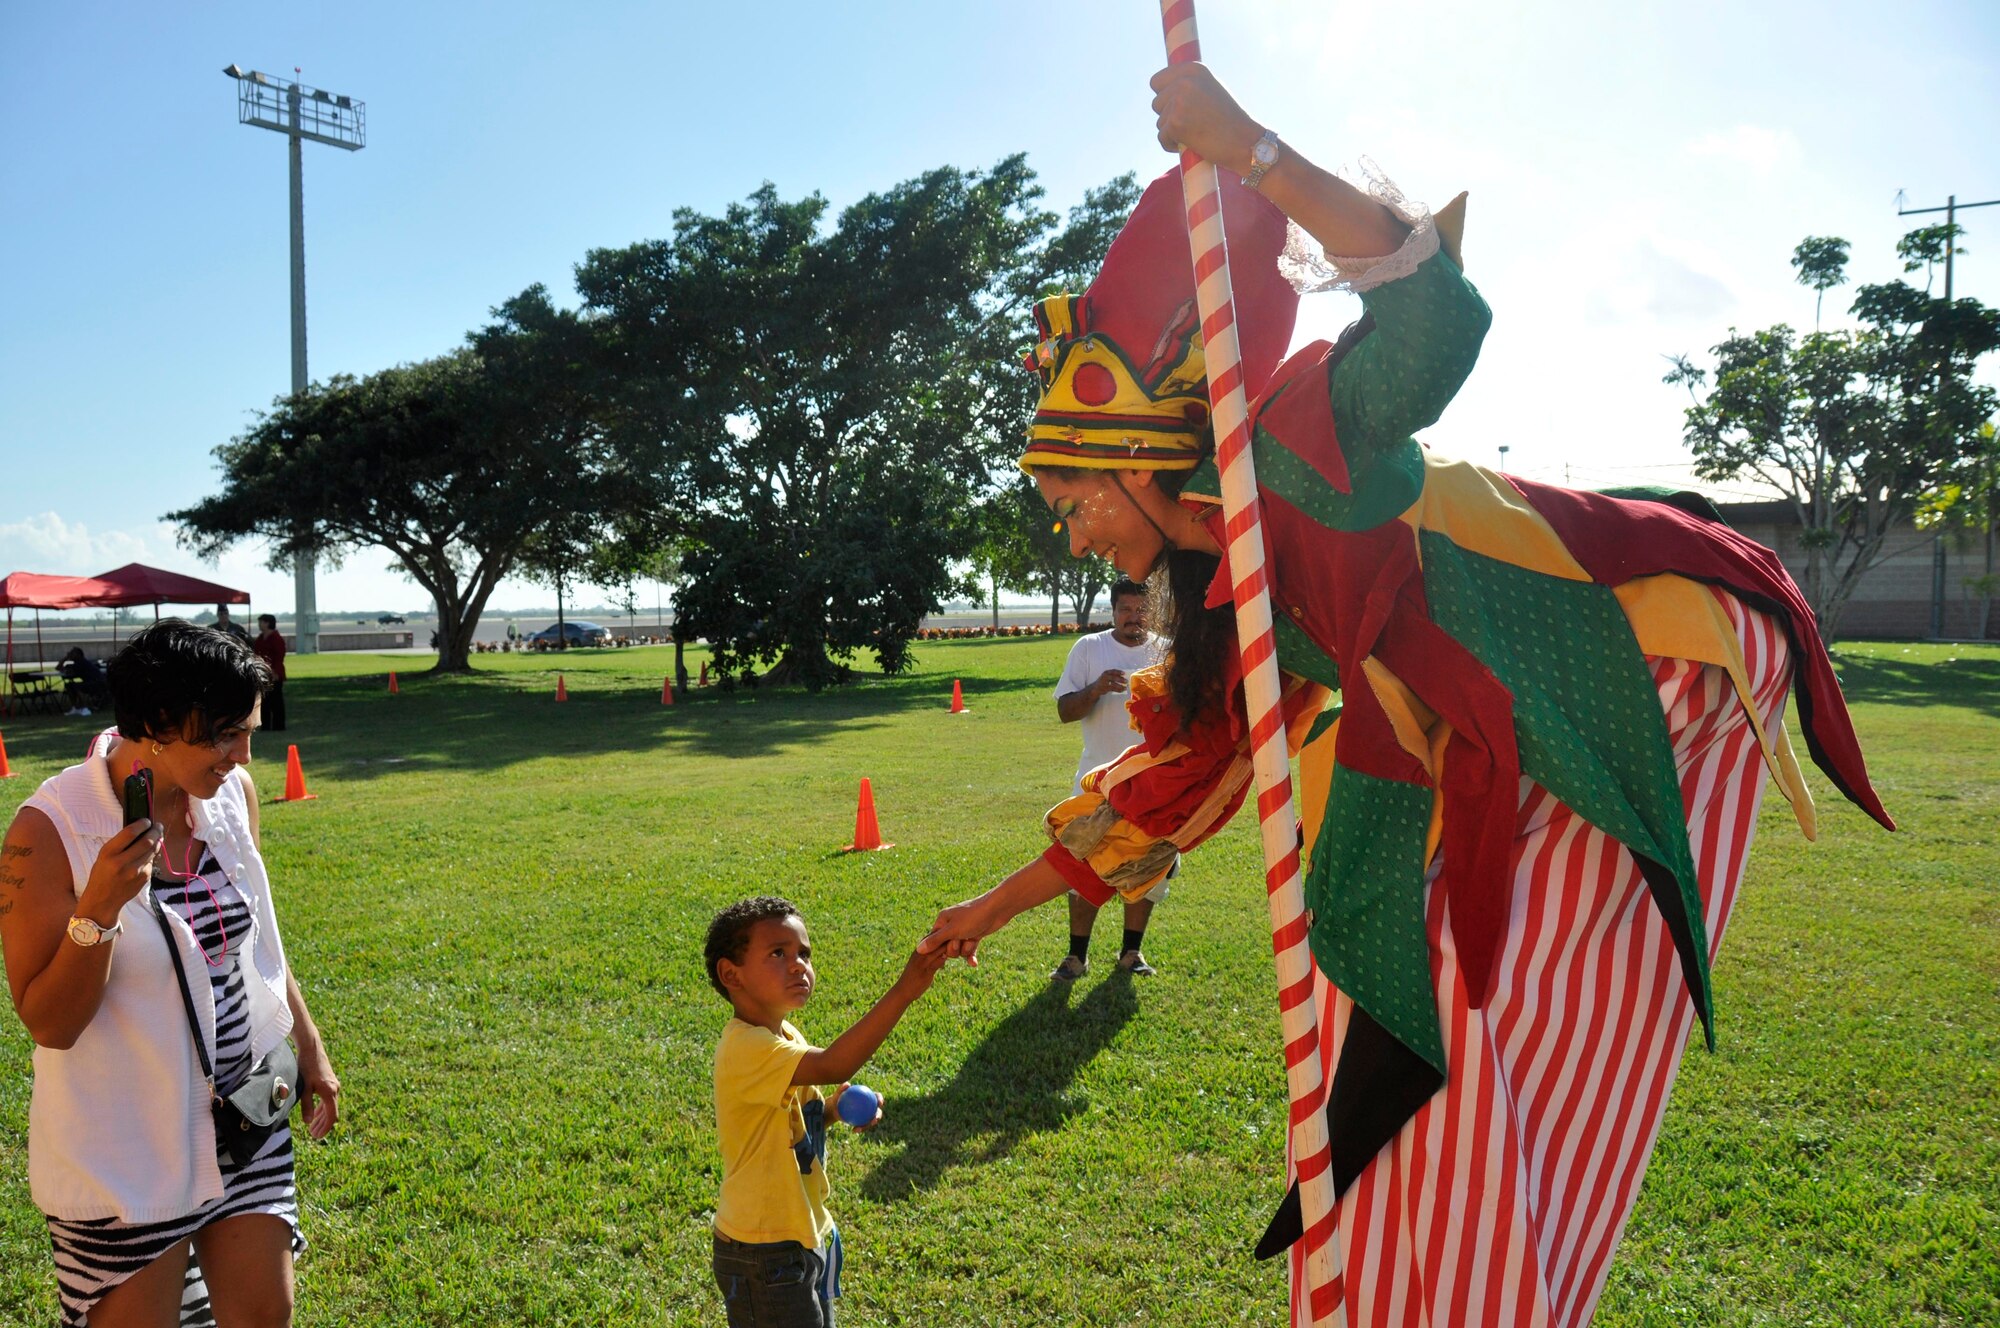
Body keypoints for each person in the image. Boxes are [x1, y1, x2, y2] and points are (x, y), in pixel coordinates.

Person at [920, 63, 1892, 1327]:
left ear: (1139, 455)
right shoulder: (1226, 599)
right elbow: (1167, 792)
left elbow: (1436, 319)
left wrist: (1252, 149)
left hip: (1644, 658)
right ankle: (1420, 1291)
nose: (1071, 538)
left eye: (1073, 503)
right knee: (1378, 985)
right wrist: (985, 908)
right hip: (1483, 732)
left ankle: (1476, 1295)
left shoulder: (1291, 438)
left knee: (1479, 1011)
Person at [0, 619, 341, 1328]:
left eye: (246, 730)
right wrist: (97, 911)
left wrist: (307, 1043)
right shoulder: (49, 829)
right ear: (154, 726)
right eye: (222, 734)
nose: (243, 753)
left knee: (263, 1316)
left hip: (247, 1117)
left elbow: (258, 938)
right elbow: (48, 1023)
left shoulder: (231, 795)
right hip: (127, 1145)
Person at [705, 896, 949, 1327]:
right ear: (731, 974)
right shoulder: (745, 1048)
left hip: (800, 1232)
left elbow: (789, 1117)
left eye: (804, 953)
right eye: (778, 953)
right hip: (763, 1251)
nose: (799, 965)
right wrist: (906, 989)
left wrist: (832, 1110)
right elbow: (836, 1063)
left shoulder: (783, 1032)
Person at [1049, 577, 1168, 980]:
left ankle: (1131, 952)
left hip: (1154, 782)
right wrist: (1097, 689)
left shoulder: (1165, 651)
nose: (1133, 618)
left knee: (1149, 866)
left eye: (1140, 610)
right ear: (1113, 610)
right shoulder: (1090, 649)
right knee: (1081, 861)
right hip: (1096, 781)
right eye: (1125, 610)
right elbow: (1065, 711)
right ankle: (1075, 957)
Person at [252, 615, 288, 733]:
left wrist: (275, 671)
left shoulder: (276, 638)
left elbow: (279, 656)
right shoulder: (260, 639)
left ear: (267, 623)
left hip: (274, 673)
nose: (259, 624)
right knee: (264, 701)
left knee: (276, 701)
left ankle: (279, 725)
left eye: (261, 622)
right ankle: (265, 725)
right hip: (262, 673)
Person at [56, 647, 107, 717]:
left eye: (72, 653)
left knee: (76, 686)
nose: (70, 655)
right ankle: (75, 708)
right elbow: (58, 668)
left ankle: (85, 708)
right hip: (91, 683)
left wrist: (66, 658)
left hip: (97, 684)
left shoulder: (82, 663)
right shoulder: (76, 663)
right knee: (69, 685)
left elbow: (66, 671)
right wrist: (65, 658)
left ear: (78, 655)